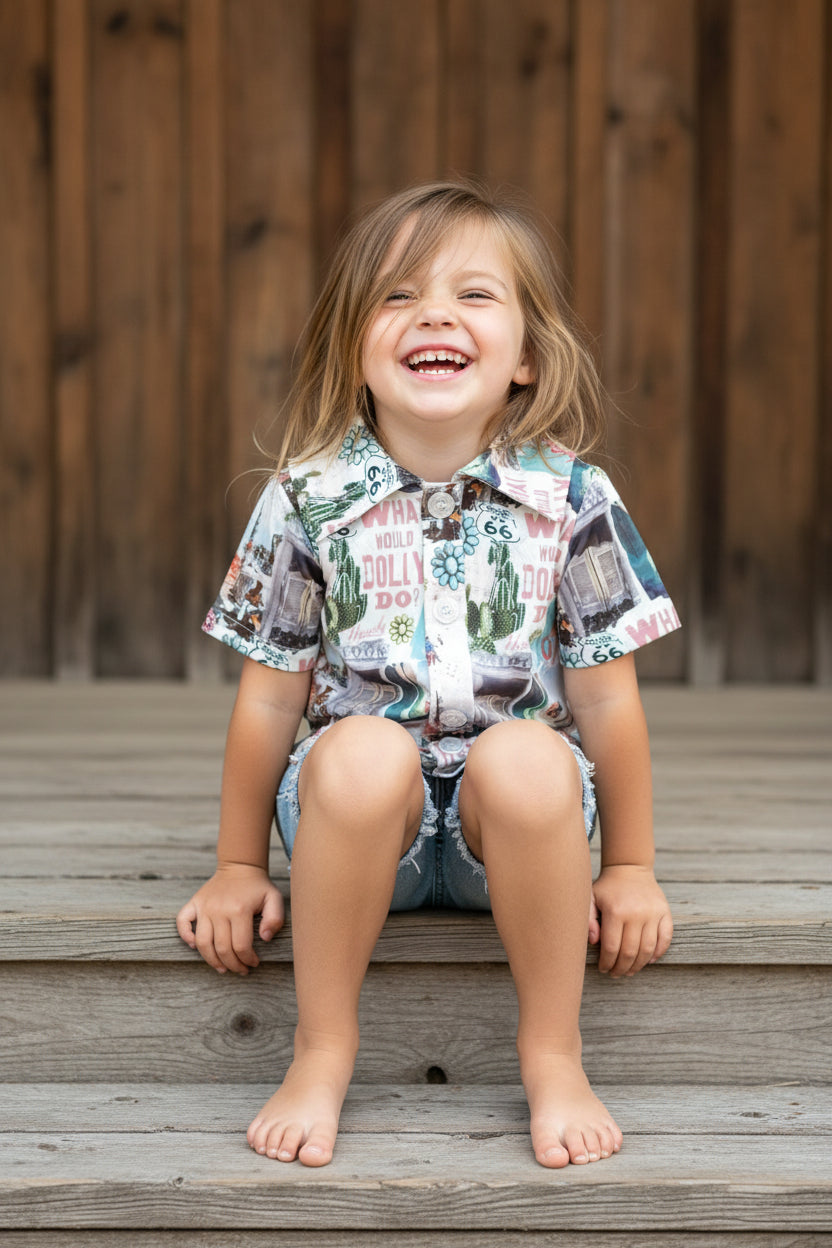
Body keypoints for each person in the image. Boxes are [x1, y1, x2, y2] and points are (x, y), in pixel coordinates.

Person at [176, 180, 680, 1171]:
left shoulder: (572, 496)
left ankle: (553, 1053)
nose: (435, 314)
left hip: (516, 829)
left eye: (474, 296)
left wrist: (628, 866)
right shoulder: (306, 498)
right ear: (352, 343)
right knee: (360, 752)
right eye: (398, 295)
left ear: (526, 357)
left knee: (529, 757)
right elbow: (271, 692)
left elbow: (606, 698)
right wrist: (239, 863)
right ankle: (323, 1049)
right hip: (360, 822)